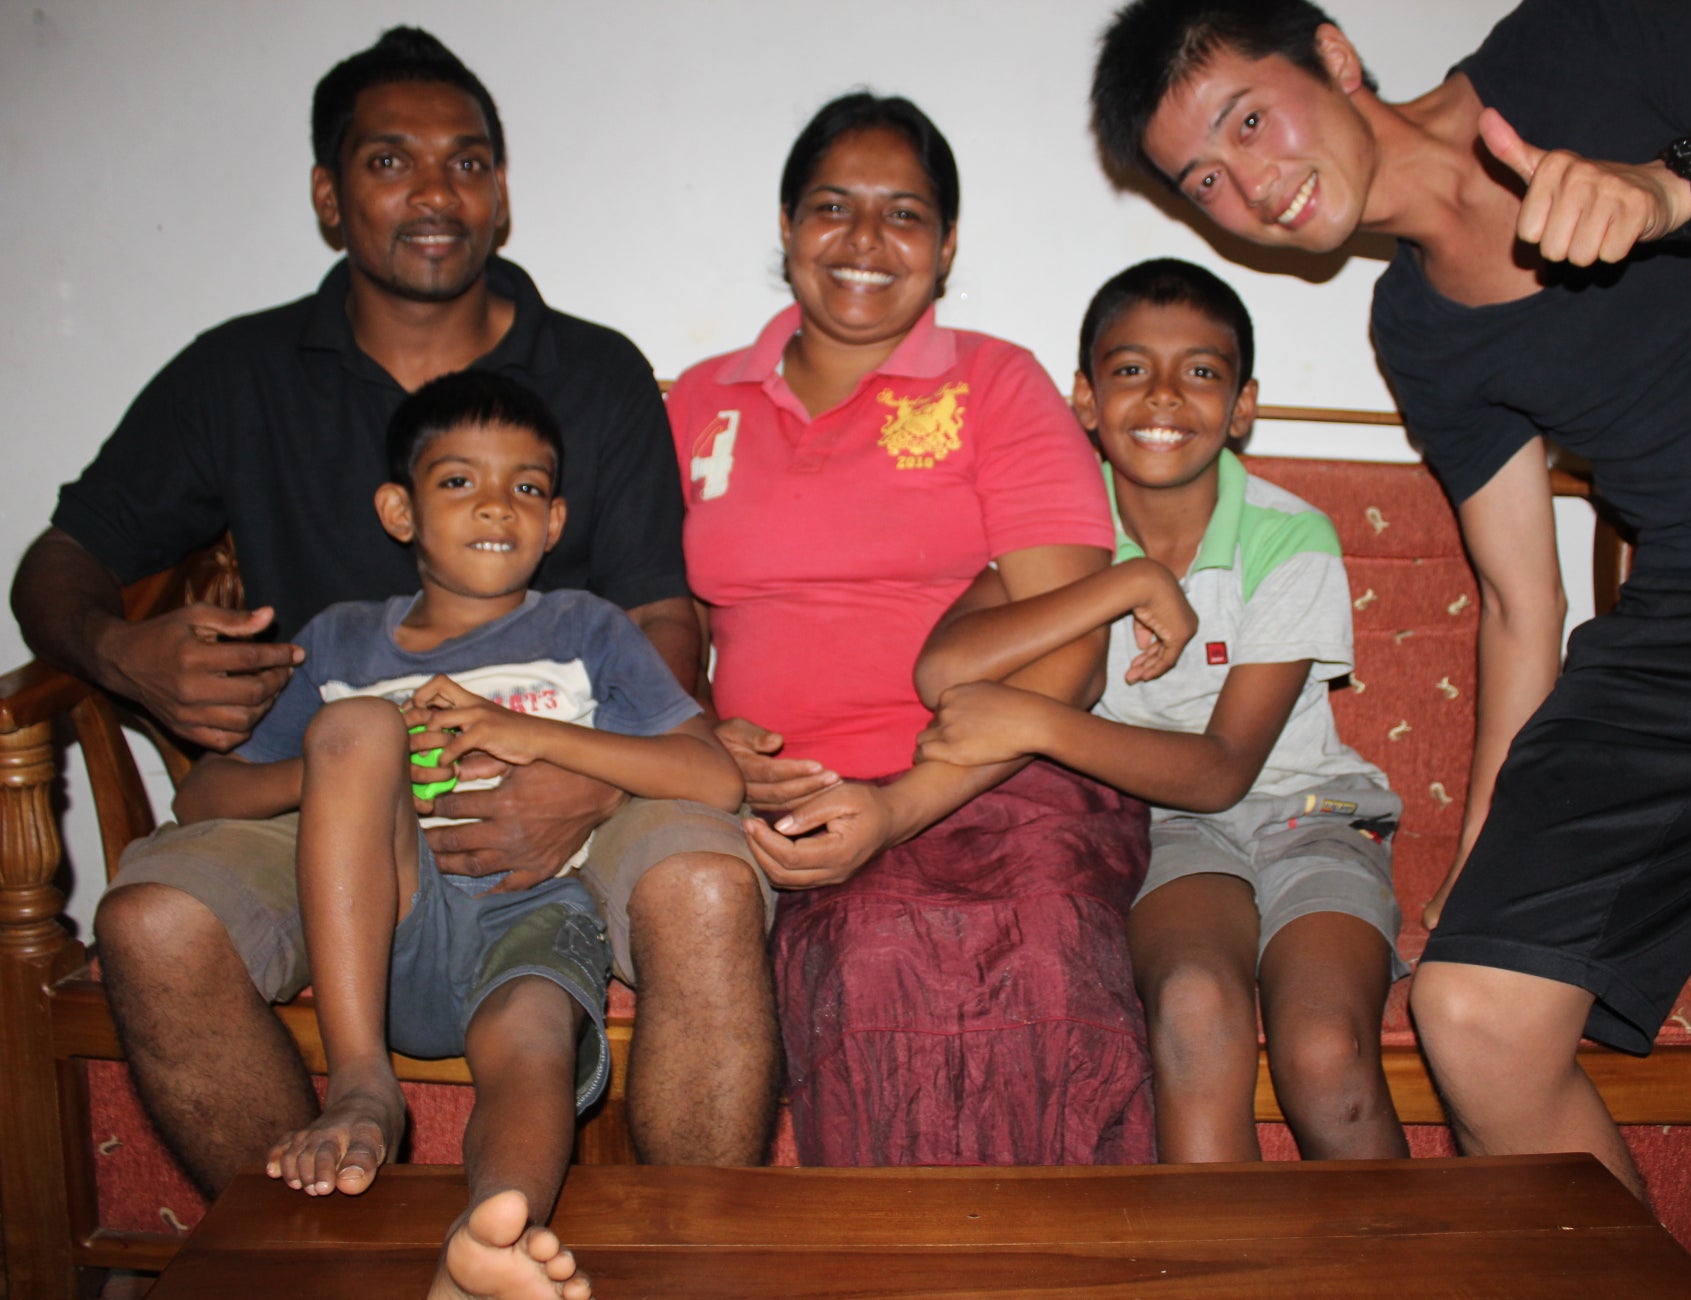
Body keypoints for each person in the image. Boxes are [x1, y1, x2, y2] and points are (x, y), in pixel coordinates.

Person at [1092, 0, 1691, 1290]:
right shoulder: (1418, 324)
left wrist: (1678, 192)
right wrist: (1481, 858)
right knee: (1473, 1013)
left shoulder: (1583, 42)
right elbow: (1517, 599)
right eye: (1204, 178)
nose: (1249, 187)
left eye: (1249, 120)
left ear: (1333, 54)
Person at [10, 26, 778, 1196]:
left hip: (572, 762)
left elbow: (661, 619)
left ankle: (701, 1256)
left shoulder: (594, 372)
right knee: (154, 923)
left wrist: (595, 776)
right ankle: (302, 1254)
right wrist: (121, 653)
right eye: (388, 161)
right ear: (330, 196)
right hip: (322, 792)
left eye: (467, 163)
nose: (434, 192)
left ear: (501, 195)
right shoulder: (238, 374)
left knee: (708, 888)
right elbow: (61, 561)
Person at [666, 92, 1155, 1165]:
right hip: (797, 810)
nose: (865, 240)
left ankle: (1062, 1252)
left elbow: (1071, 657)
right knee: (870, 961)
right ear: (788, 225)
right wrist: (700, 735)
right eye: (833, 206)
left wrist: (897, 807)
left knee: (1035, 961)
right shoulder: (701, 403)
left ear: (946, 244)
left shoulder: (995, 383)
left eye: (903, 214)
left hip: (1004, 788)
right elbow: (660, 625)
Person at [175, 373, 740, 1297]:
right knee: (356, 727)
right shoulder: (343, 640)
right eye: (458, 481)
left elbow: (713, 776)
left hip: (536, 909)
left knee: (532, 1046)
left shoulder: (585, 627)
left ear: (555, 522)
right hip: (383, 917)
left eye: (527, 486)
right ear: (399, 510)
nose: (496, 505)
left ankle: (489, 1246)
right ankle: (362, 1085)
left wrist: (530, 734)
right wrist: (362, 763)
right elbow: (204, 794)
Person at [913, 258, 1409, 1164]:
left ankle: (1392, 1248)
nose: (1165, 395)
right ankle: (1222, 1248)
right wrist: (1125, 580)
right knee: (1191, 1009)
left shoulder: (1287, 536)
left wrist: (1037, 722)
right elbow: (944, 668)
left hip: (1312, 814)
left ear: (1243, 405)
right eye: (1132, 368)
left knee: (1324, 1050)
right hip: (1165, 829)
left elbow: (1223, 771)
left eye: (1202, 371)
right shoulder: (1063, 536)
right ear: (1086, 398)